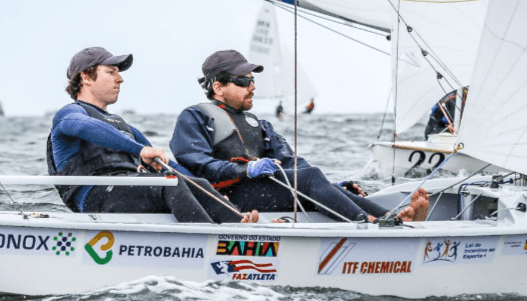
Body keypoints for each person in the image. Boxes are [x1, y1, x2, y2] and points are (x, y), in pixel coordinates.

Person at [170, 50, 428, 223]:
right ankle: (374, 223)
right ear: (218, 87)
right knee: (309, 178)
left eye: (252, 80)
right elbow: (196, 164)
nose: (253, 86)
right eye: (243, 81)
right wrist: (246, 169)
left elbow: (291, 163)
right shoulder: (194, 117)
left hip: (266, 189)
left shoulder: (258, 123)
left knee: (310, 175)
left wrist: (332, 189)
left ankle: (391, 217)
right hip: (228, 196)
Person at [47, 46, 259, 223]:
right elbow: (86, 128)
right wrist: (139, 150)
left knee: (194, 183)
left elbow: (167, 164)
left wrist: (211, 195)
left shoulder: (123, 126)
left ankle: (241, 224)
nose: (119, 79)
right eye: (111, 72)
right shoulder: (69, 114)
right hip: (94, 198)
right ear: (86, 77)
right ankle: (217, 241)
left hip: (129, 189)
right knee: (170, 184)